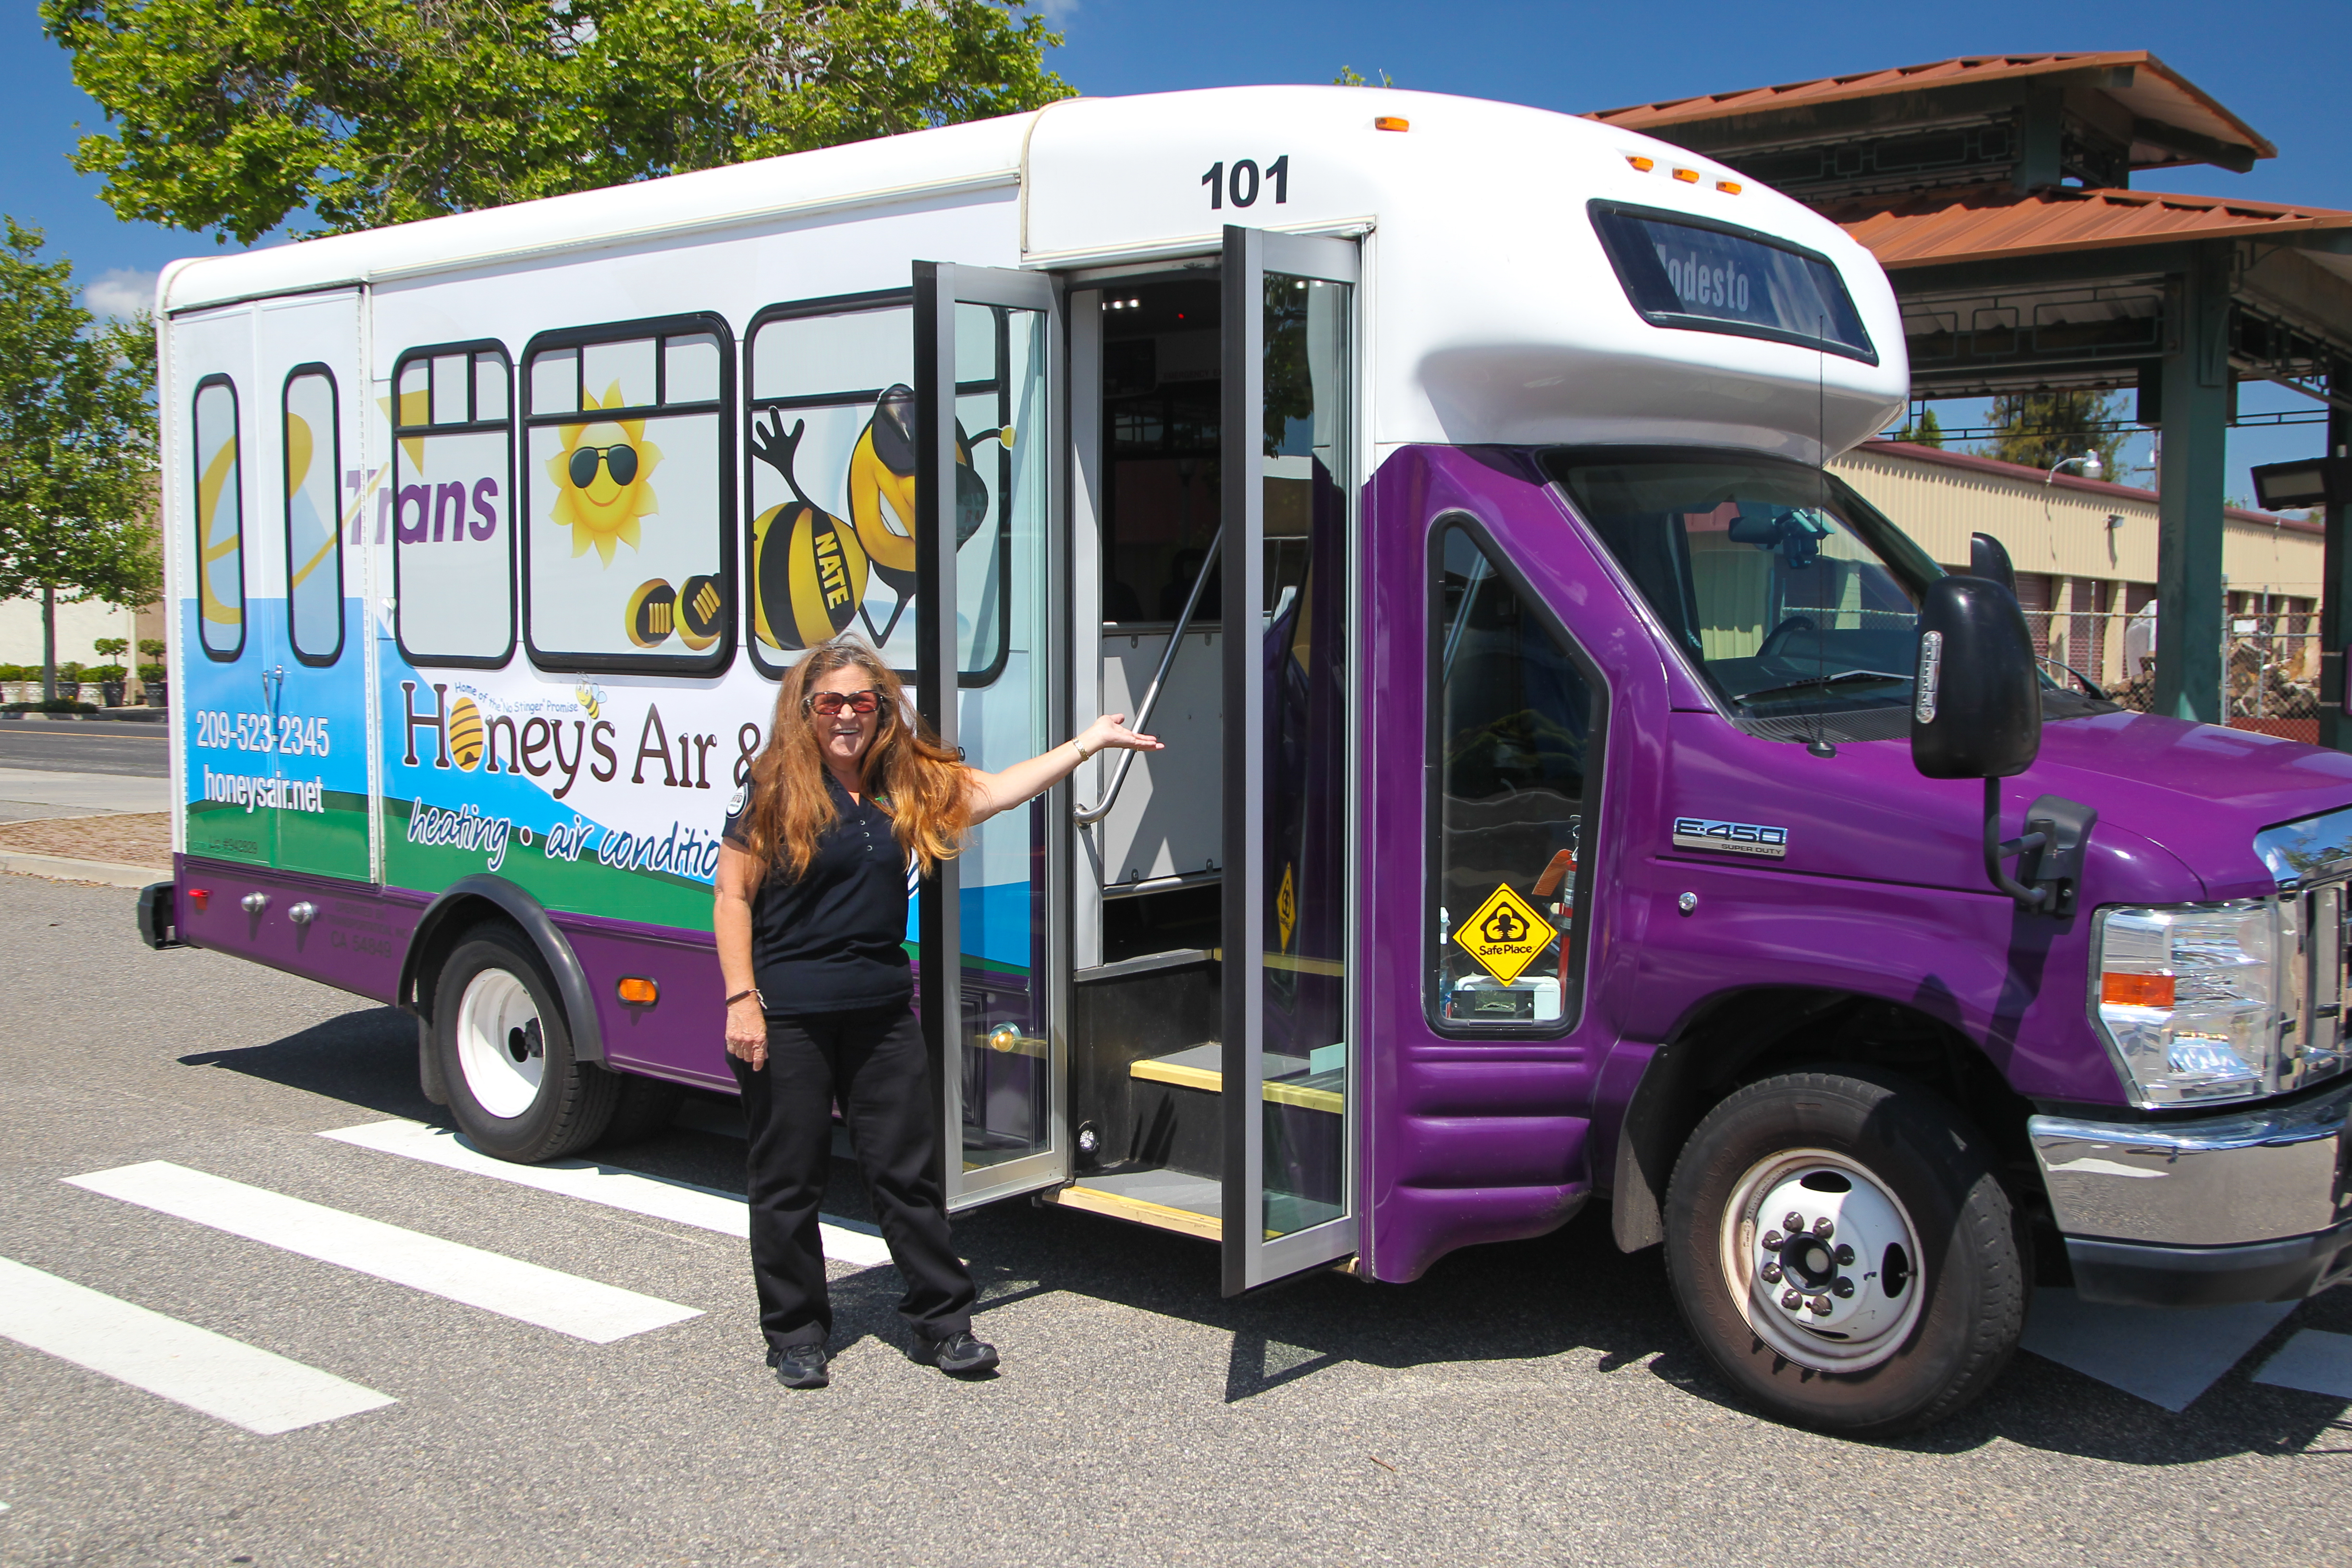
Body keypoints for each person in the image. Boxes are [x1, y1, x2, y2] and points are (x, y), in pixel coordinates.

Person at [713, 636, 1162, 1388]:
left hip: (883, 1012)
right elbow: (732, 898)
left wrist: (1087, 745)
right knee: (789, 1180)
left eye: (863, 701)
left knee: (908, 1176)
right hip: (789, 1015)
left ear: (883, 709)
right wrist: (741, 1001)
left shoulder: (904, 782)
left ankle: (941, 1324)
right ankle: (795, 1333)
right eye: (831, 703)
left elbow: (997, 793)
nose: (848, 716)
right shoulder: (775, 790)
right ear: (807, 711)